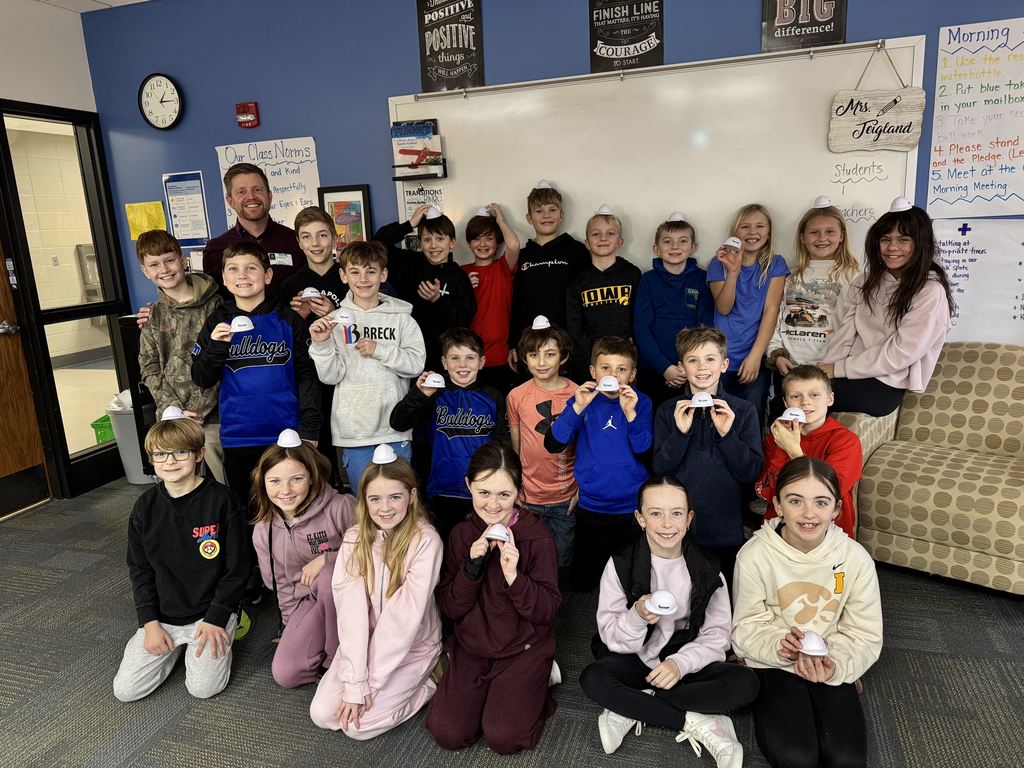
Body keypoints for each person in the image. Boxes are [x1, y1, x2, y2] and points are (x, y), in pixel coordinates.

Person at [580, 476, 758, 762]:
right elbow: (609, 634)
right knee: (593, 678)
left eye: (676, 513)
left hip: (684, 658)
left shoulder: (708, 570)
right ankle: (697, 722)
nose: (666, 524)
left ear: (689, 519)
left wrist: (679, 663)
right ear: (640, 518)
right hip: (636, 656)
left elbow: (717, 635)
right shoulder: (620, 564)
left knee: (745, 684)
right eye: (655, 513)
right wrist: (637, 616)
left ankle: (631, 705)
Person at [191, 240, 321, 605]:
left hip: (285, 433)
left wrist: (309, 430)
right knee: (248, 509)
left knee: (293, 506)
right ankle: (254, 576)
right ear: (224, 278)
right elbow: (201, 377)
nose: (242, 276)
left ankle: (297, 575)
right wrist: (216, 346)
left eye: (251, 268)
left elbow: (307, 376)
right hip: (239, 433)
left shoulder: (288, 320)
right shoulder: (216, 321)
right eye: (233, 269)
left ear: (266, 275)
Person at [733, 457, 882, 768]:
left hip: (830, 658)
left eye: (821, 502)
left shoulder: (855, 559)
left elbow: (864, 633)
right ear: (777, 504)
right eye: (795, 500)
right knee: (796, 758)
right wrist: (778, 644)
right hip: (776, 661)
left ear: (837, 509)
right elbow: (746, 625)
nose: (809, 513)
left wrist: (836, 666)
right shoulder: (754, 555)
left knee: (847, 761)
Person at [426, 442, 561, 754]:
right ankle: (493, 689)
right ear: (468, 486)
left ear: (519, 492)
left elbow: (546, 611)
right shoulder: (462, 535)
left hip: (523, 645)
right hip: (474, 644)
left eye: (505, 494)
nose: (493, 505)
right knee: (448, 732)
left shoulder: (537, 537)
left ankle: (540, 679)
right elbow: (450, 607)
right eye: (483, 492)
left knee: (504, 737)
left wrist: (515, 577)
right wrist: (471, 567)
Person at [309, 445, 443, 739]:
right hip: (363, 644)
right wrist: (356, 681)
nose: (385, 507)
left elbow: (402, 622)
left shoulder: (426, 541)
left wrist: (369, 685)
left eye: (395, 497)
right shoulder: (355, 538)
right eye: (375, 498)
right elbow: (351, 613)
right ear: (364, 501)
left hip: (411, 648)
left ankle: (431, 681)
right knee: (321, 714)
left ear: (411, 496)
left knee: (358, 727)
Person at [113, 416, 248, 702]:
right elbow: (139, 569)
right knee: (126, 691)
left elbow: (237, 568)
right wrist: (149, 623)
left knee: (202, 689)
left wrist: (217, 616)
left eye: (180, 452)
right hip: (164, 617)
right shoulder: (144, 508)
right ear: (152, 459)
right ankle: (175, 648)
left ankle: (233, 622)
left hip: (209, 612)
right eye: (160, 454)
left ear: (199, 454)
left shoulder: (223, 501)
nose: (170, 461)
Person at [309, 240, 426, 493]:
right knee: (362, 504)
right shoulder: (333, 321)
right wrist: (321, 344)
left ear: (383, 274)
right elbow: (331, 376)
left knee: (398, 501)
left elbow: (416, 365)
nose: (363, 279)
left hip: (394, 429)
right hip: (354, 432)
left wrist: (379, 350)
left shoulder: (403, 320)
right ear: (343, 275)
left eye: (371, 271)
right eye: (355, 272)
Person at [820, 198, 954, 417]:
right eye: (885, 239)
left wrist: (838, 369)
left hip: (884, 383)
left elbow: (901, 352)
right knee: (793, 392)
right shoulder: (864, 281)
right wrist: (826, 369)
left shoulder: (930, 290)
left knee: (795, 400)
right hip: (849, 372)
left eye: (903, 240)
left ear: (920, 243)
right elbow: (846, 333)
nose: (892, 248)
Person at [652, 327, 762, 586]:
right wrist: (680, 433)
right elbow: (660, 469)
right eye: (693, 360)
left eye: (710, 359)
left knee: (723, 600)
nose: (702, 367)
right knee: (680, 598)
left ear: (724, 364)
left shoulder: (744, 411)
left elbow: (751, 473)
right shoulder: (668, 411)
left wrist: (727, 435)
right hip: (679, 529)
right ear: (682, 367)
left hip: (726, 527)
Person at [545, 336, 652, 591]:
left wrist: (630, 414)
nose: (613, 375)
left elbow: (644, 449)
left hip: (631, 507)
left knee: (629, 577)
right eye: (606, 368)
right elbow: (554, 444)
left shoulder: (641, 401)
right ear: (593, 371)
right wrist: (577, 407)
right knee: (586, 581)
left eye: (621, 369)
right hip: (592, 506)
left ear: (632, 374)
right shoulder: (582, 400)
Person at [251, 431, 357, 688]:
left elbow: (373, 551)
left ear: (311, 477)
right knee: (286, 674)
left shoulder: (340, 507)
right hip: (307, 602)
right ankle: (326, 641)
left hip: (351, 598)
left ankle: (335, 657)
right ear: (262, 482)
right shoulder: (263, 529)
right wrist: (290, 627)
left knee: (327, 576)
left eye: (296, 479)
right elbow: (280, 585)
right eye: (274, 481)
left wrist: (329, 558)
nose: (285, 490)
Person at [389, 327, 507, 544]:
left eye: (470, 358)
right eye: (455, 358)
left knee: (475, 549)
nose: (463, 365)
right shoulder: (434, 393)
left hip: (481, 493)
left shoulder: (493, 396)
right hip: (439, 492)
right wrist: (419, 394)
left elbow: (501, 444)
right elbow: (398, 422)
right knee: (441, 550)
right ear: (444, 363)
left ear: (481, 362)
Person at [136, 229, 225, 483]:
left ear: (183, 260)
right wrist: (172, 410)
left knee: (220, 486)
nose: (164, 269)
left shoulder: (216, 306)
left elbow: (222, 361)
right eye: (154, 264)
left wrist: (197, 410)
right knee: (180, 487)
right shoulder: (153, 315)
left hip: (214, 417)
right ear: (145, 271)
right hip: (173, 418)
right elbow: (149, 366)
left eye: (169, 260)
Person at [765, 197, 859, 422]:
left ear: (842, 235)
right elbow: (777, 318)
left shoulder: (854, 276)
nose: (822, 238)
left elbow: (854, 327)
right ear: (802, 238)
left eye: (829, 232)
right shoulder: (791, 275)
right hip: (788, 369)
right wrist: (776, 354)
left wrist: (832, 365)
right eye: (814, 232)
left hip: (826, 370)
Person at [278, 206, 349, 484]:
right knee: (316, 445)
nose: (315, 243)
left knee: (344, 439)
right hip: (307, 375)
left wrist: (335, 311)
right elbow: (284, 339)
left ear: (334, 238)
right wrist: (300, 318)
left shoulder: (347, 277)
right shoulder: (291, 284)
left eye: (322, 235)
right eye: (306, 237)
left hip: (343, 370)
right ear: (298, 242)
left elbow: (361, 326)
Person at [707, 203, 789, 434]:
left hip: (754, 357)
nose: (753, 232)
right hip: (721, 358)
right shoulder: (719, 263)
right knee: (718, 421)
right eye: (745, 226)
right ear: (735, 232)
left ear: (769, 232)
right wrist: (732, 272)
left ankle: (751, 468)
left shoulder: (776, 264)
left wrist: (755, 356)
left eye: (760, 226)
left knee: (751, 422)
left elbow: (771, 310)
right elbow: (724, 308)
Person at [756, 365, 862, 537]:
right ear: (785, 403)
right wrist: (783, 447)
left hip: (829, 531)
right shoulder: (774, 439)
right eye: (796, 396)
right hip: (782, 530)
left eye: (814, 395)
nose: (805, 402)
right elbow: (769, 493)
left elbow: (827, 493)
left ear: (830, 398)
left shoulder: (846, 441)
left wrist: (793, 451)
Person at [506, 317, 578, 570]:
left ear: (563, 357)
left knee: (561, 558)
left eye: (550, 354)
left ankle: (557, 606)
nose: (542, 362)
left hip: (565, 494)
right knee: (528, 557)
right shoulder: (516, 396)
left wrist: (580, 490)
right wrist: (515, 489)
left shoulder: (577, 394)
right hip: (529, 495)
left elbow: (586, 448)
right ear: (524, 358)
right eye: (534, 355)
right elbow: (515, 449)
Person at [373, 204, 476, 366]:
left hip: (444, 358)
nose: (433, 245)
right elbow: (377, 244)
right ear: (420, 243)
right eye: (427, 239)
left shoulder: (459, 277)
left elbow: (463, 321)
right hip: (407, 352)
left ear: (452, 243)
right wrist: (409, 224)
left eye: (440, 239)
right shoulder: (409, 263)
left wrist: (439, 300)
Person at [507, 180, 589, 375]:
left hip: (568, 344)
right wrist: (512, 343)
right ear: (529, 217)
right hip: (531, 346)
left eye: (552, 210)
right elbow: (516, 301)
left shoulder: (577, 251)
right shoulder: (524, 255)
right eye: (539, 211)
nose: (546, 215)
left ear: (561, 215)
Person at [633, 212, 714, 406]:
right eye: (667, 241)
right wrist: (664, 367)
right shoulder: (647, 281)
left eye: (682, 241)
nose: (675, 247)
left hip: (691, 371)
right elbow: (641, 329)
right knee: (654, 424)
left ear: (693, 247)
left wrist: (688, 367)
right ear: (656, 248)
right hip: (653, 370)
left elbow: (705, 328)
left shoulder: (702, 280)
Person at [203, 162, 304, 299]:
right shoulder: (215, 249)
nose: (251, 197)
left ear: (269, 195)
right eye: (241, 192)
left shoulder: (296, 241)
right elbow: (215, 302)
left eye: (257, 190)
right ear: (230, 201)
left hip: (293, 320)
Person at [565, 205, 642, 380]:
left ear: (620, 241)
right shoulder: (577, 280)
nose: (603, 238)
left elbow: (639, 319)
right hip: (593, 361)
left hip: (626, 358)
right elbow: (574, 327)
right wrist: (586, 364)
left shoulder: (631, 274)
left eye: (610, 233)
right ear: (587, 243)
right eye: (595, 234)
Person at [461, 203, 520, 393]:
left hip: (500, 358)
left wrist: (500, 218)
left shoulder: (502, 268)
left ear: (497, 243)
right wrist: (463, 288)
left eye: (489, 238)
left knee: (500, 413)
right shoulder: (461, 273)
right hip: (468, 358)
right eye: (477, 239)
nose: (483, 244)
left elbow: (514, 245)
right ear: (469, 243)